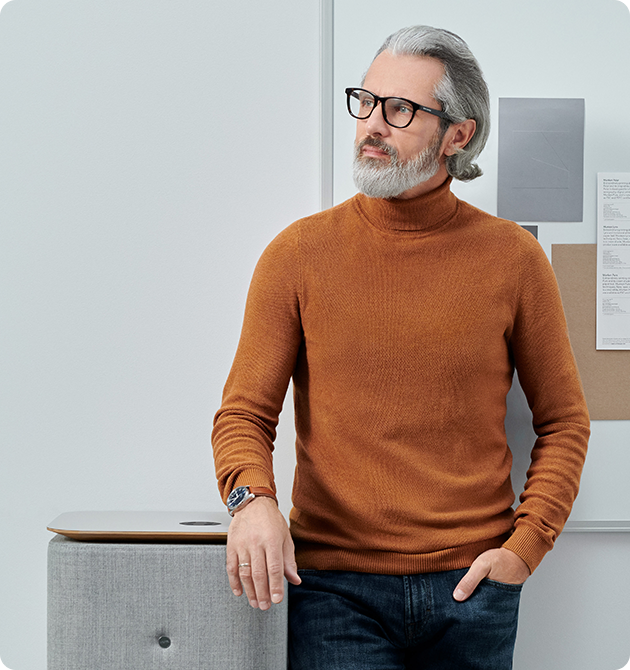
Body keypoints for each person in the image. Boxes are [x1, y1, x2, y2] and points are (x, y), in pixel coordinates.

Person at [212, 25, 589, 669]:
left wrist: (525, 549)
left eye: (401, 110)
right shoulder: (297, 255)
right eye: (366, 100)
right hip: (332, 592)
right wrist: (251, 502)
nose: (371, 126)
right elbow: (244, 415)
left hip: (473, 588)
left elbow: (563, 421)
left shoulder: (514, 259)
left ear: (458, 136)